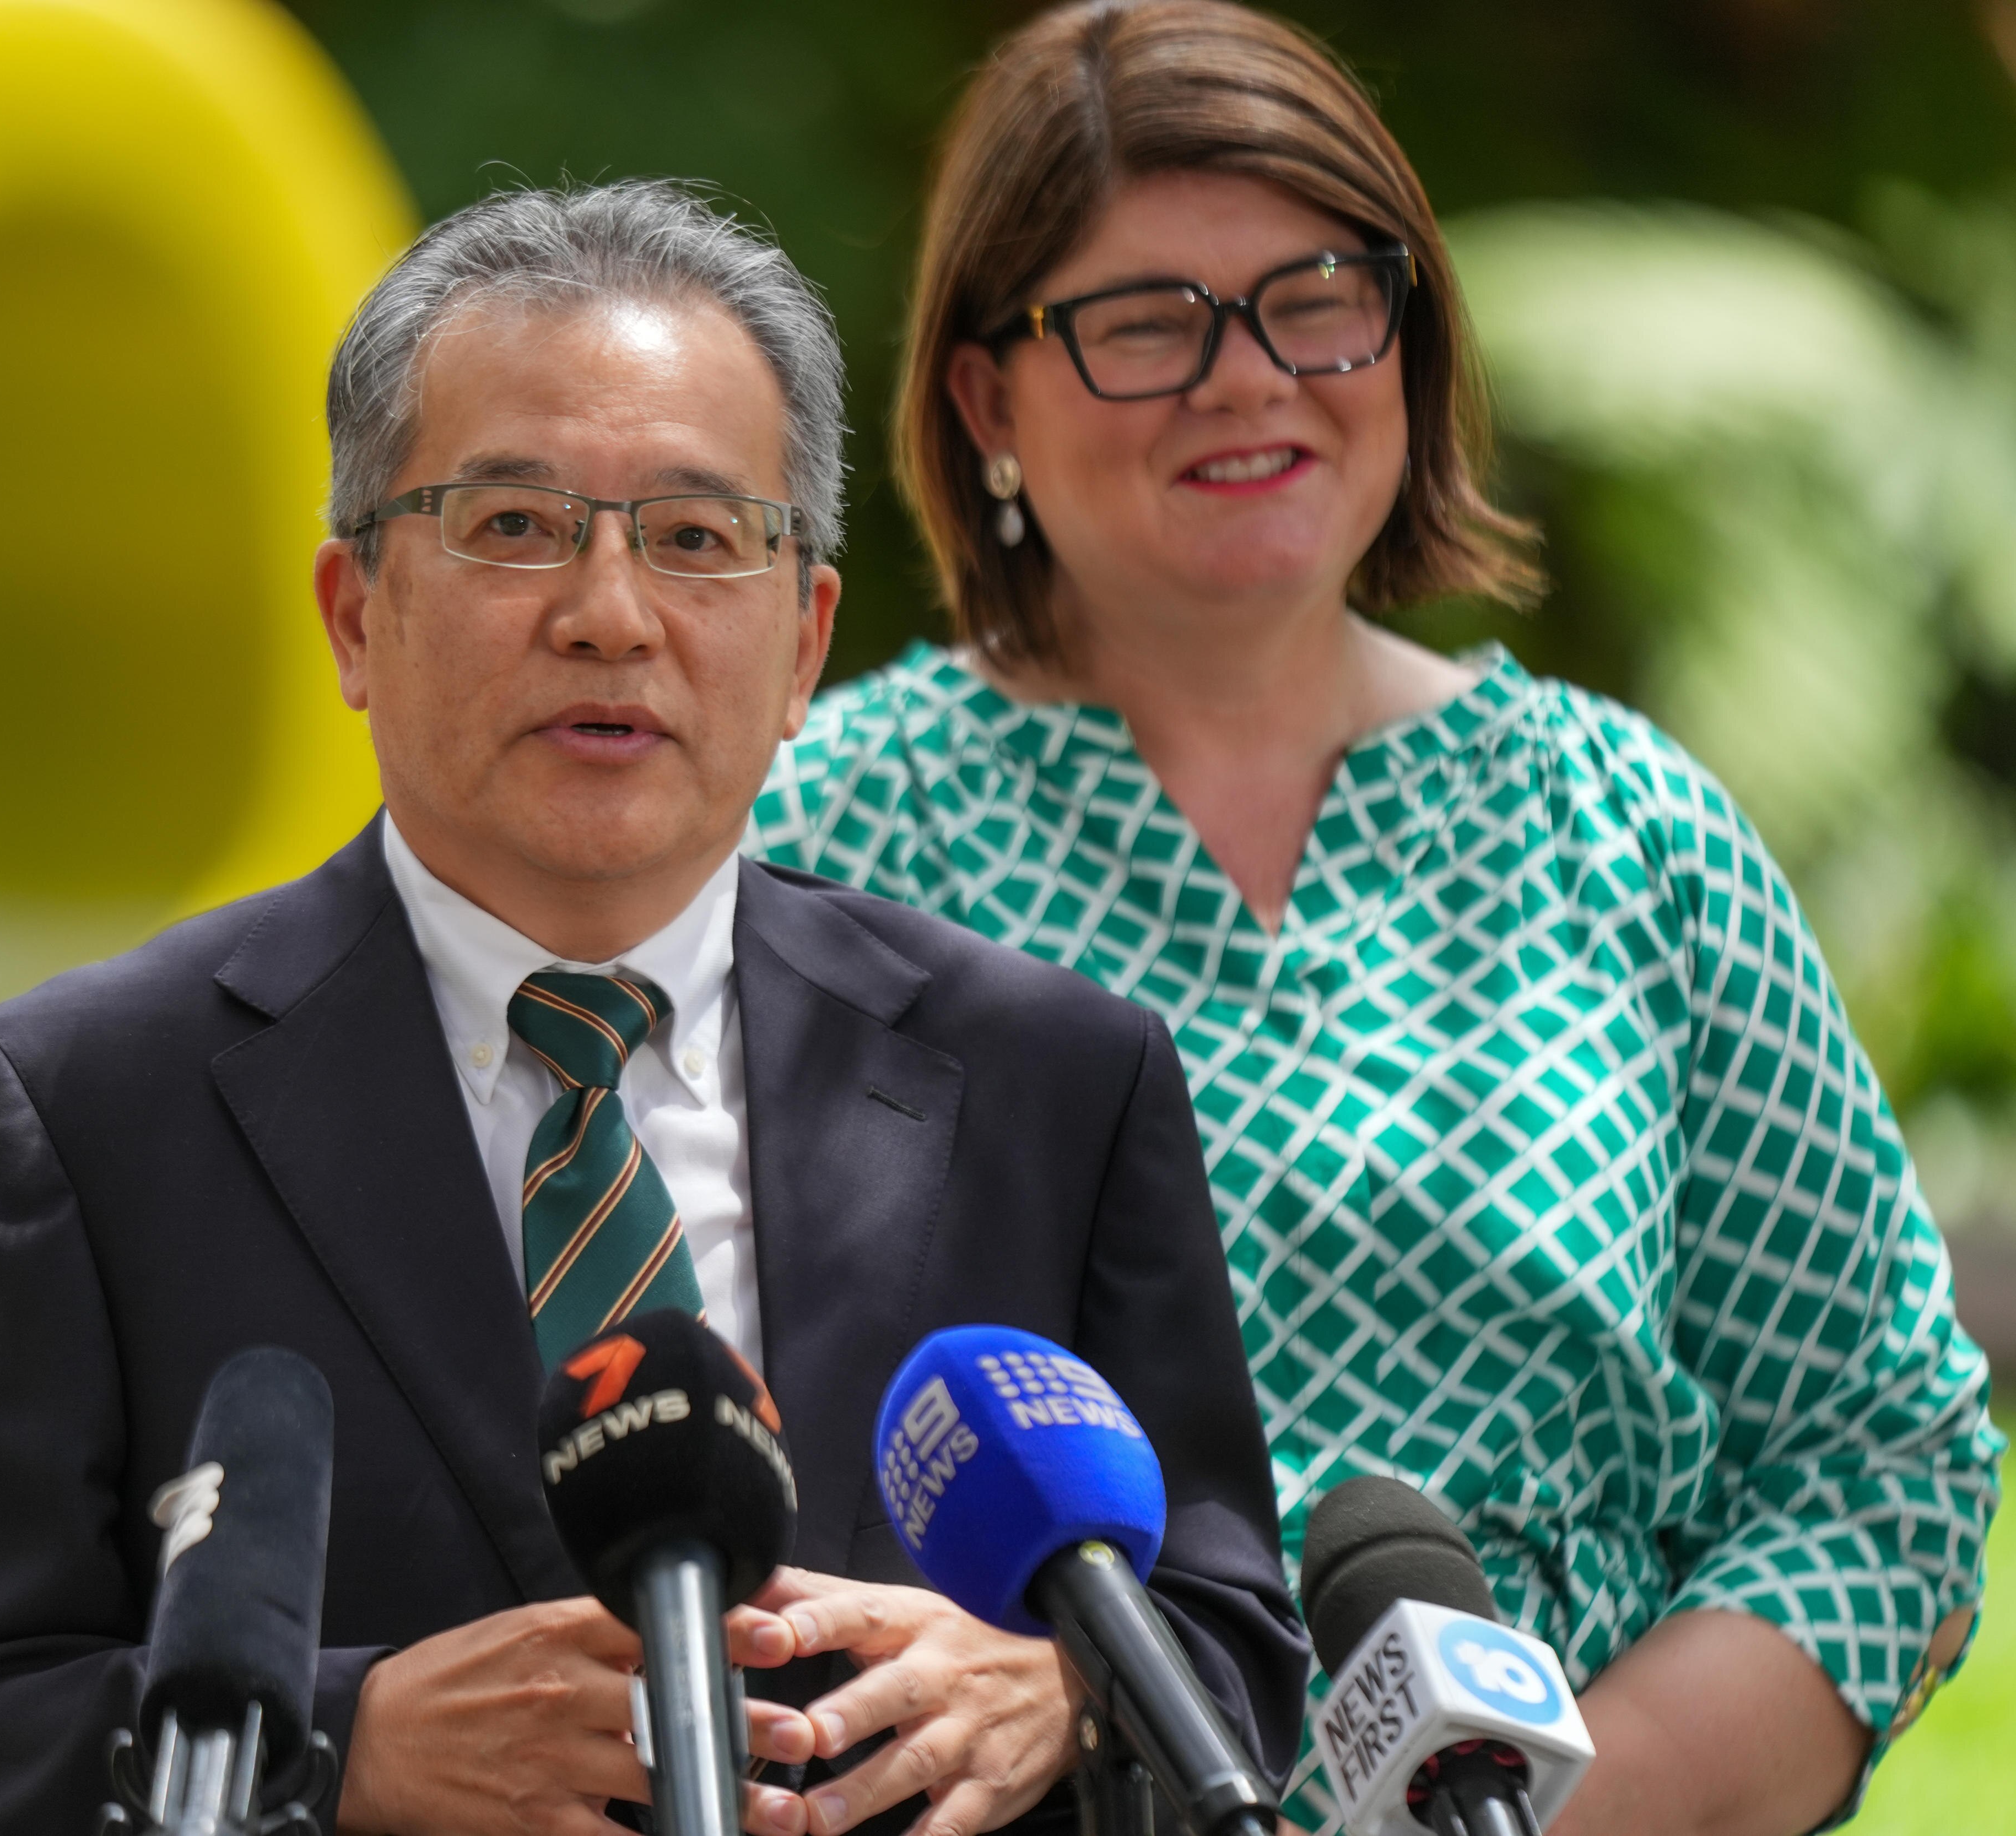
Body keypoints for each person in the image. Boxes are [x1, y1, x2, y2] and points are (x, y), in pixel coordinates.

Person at [0, 180, 1306, 1836]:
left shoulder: (1053, 1084)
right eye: (513, 527)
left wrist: (1061, 1693)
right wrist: (343, 1741)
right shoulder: (74, 1112)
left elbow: (1236, 1645)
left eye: (694, 537)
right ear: (355, 613)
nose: (609, 613)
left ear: (805, 644)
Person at [749, 5, 2002, 1834]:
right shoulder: (817, 845)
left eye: (1317, 295)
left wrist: (1541, 1802)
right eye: (1144, 322)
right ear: (985, 400)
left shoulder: (1621, 826)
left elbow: (1876, 1457)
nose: (1246, 376)